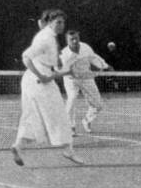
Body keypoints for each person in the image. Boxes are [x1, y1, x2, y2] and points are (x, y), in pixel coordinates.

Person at [11, 9, 81, 166]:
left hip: (33, 81)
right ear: (50, 23)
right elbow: (26, 57)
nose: (61, 25)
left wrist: (65, 71)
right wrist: (41, 76)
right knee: (60, 115)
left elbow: (51, 67)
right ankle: (68, 151)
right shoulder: (45, 38)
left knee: (32, 116)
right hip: (39, 82)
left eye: (63, 22)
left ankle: (18, 146)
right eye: (58, 22)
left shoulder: (48, 36)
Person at [60, 30, 112, 133]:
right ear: (67, 41)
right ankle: (70, 126)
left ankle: (87, 120)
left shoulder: (86, 48)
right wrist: (76, 74)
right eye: (72, 39)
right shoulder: (64, 54)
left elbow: (94, 58)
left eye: (76, 38)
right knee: (72, 99)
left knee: (98, 105)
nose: (75, 41)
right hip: (71, 80)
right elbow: (66, 70)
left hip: (86, 78)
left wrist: (105, 66)